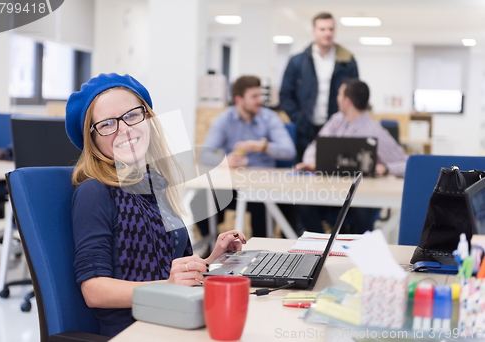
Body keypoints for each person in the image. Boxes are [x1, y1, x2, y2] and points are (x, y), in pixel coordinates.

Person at [65, 73, 246, 337]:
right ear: (91, 138)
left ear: (147, 118)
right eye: (107, 124)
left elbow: (172, 270)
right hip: (135, 329)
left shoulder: (155, 184)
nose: (124, 130)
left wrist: (212, 259)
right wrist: (168, 285)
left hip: (174, 316)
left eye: (131, 115)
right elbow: (94, 291)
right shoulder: (95, 191)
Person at [296, 79, 408, 233]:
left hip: (358, 198)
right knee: (302, 201)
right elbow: (314, 147)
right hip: (329, 191)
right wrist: (313, 162)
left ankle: (352, 250)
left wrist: (386, 168)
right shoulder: (336, 121)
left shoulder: (374, 131)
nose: (337, 98)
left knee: (359, 209)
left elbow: (407, 163)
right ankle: (321, 245)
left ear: (347, 101)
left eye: (339, 94)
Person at [193, 75, 296, 238]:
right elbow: (204, 154)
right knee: (199, 201)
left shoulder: (269, 118)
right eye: (254, 96)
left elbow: (289, 150)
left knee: (262, 206)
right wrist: (225, 161)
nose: (259, 100)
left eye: (260, 95)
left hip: (263, 183)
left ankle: (262, 252)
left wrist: (264, 146)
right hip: (233, 183)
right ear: (239, 99)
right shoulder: (224, 120)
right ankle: (213, 245)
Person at [279, 12, 359, 163]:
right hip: (305, 129)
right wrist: (298, 119)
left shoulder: (348, 62)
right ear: (314, 31)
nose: (327, 33)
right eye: (322, 29)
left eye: (331, 29)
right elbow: (286, 94)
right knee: (303, 171)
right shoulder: (297, 61)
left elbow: (354, 96)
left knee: (333, 173)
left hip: (337, 128)